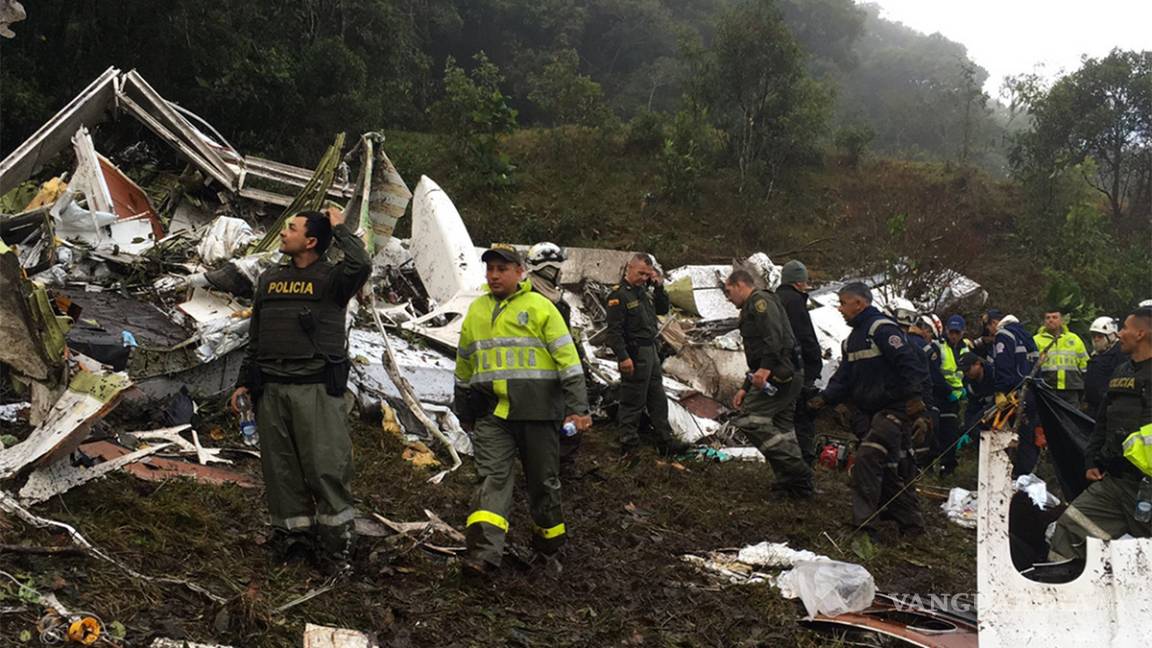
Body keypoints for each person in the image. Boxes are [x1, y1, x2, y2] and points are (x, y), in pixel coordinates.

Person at [230, 207, 370, 568]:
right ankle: (293, 541)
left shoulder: (333, 280)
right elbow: (256, 336)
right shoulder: (270, 280)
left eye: (291, 228)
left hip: (316, 390)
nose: (283, 232)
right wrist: (244, 382)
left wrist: (339, 228)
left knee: (326, 467)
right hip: (271, 389)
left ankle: (337, 547)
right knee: (281, 471)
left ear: (310, 241)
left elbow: (361, 264)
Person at [453, 244, 591, 577]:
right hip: (493, 415)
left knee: (543, 484)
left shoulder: (542, 309)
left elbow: (568, 363)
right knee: (493, 480)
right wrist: (463, 408)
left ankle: (548, 546)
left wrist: (577, 408)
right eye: (490, 270)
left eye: (502, 269)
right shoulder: (476, 311)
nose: (495, 275)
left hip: (538, 414)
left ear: (520, 272)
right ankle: (483, 555)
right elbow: (464, 363)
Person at [809, 283, 928, 540]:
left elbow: (908, 362)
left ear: (859, 304)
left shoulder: (881, 329)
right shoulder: (853, 339)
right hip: (872, 414)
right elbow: (845, 377)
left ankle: (865, 526)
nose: (840, 309)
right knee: (889, 468)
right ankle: (911, 525)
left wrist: (915, 400)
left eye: (843, 303)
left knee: (866, 458)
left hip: (893, 410)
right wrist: (823, 399)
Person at [1048, 308, 1152, 561]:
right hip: (1114, 483)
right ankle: (1059, 593)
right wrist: (1092, 458)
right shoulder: (1122, 372)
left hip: (1147, 489)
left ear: (1140, 333)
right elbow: (1103, 420)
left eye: (1125, 328)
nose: (1119, 334)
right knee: (1068, 531)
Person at [724, 270, 815, 497]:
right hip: (780, 372)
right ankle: (794, 485)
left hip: (780, 373)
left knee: (750, 419)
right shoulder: (752, 305)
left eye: (728, 291)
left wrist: (765, 368)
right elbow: (757, 352)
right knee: (783, 428)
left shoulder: (761, 302)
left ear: (740, 285)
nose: (727, 297)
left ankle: (799, 472)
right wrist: (745, 387)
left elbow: (774, 338)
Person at [605, 253, 687, 455]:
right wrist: (623, 356)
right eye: (640, 273)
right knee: (633, 397)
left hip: (650, 350)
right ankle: (628, 441)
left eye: (647, 274)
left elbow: (662, 308)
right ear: (629, 269)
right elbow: (614, 332)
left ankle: (665, 440)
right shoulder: (619, 296)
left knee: (657, 397)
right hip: (634, 351)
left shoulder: (643, 292)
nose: (643, 278)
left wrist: (658, 286)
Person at [526, 242, 588, 463]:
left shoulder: (556, 299)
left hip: (558, 371)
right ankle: (552, 466)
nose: (560, 273)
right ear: (549, 269)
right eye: (558, 268)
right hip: (541, 376)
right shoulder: (531, 299)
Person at [776, 259, 823, 465]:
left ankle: (786, 461)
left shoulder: (776, 299)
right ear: (799, 282)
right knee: (803, 417)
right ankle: (805, 463)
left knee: (784, 417)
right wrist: (815, 363)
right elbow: (804, 337)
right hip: (799, 368)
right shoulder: (795, 302)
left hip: (779, 368)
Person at [988, 310, 1041, 477]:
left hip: (1014, 394)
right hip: (1031, 393)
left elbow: (1004, 365)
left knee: (1005, 437)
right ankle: (1027, 478)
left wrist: (1000, 391)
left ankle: (1009, 478)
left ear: (996, 323)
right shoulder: (1027, 336)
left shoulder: (1004, 335)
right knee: (1027, 437)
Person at [915, 315, 965, 475]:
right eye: (951, 332)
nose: (954, 335)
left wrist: (965, 391)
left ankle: (947, 469)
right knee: (932, 431)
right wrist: (950, 391)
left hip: (954, 399)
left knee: (950, 433)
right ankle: (926, 466)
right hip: (938, 395)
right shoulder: (937, 347)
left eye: (957, 332)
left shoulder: (964, 348)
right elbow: (935, 374)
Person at [1033, 309, 1090, 407]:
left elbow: (1085, 364)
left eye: (1054, 317)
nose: (1051, 320)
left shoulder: (1074, 339)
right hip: (1047, 388)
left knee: (1072, 419)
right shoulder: (1036, 340)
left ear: (1062, 321)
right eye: (1048, 318)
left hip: (1071, 389)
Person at [1084, 316, 1125, 417]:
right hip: (1094, 408)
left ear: (1111, 336)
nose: (1096, 339)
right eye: (1094, 336)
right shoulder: (1096, 355)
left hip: (1109, 408)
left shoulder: (1119, 355)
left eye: (1100, 336)